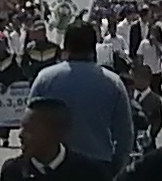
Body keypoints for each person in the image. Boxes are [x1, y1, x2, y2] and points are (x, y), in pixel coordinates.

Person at [29, 18, 139, 172]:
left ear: (65, 46)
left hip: (54, 168)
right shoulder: (113, 83)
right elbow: (125, 134)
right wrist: (116, 167)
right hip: (99, 166)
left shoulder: (45, 79)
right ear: (94, 47)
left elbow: (29, 125)